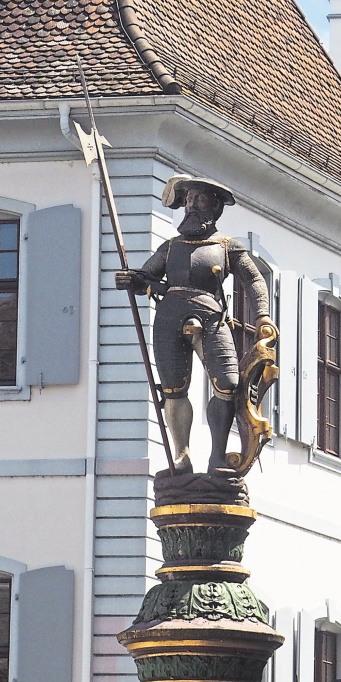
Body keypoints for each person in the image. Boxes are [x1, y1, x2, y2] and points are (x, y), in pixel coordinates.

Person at [116, 174, 274, 473]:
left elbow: (254, 279)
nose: (191, 205)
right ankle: (182, 454)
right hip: (169, 316)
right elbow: (147, 277)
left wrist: (262, 315)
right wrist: (132, 278)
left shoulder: (228, 246)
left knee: (227, 384)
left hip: (210, 316)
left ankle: (217, 455)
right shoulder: (171, 246)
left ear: (214, 207)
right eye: (188, 200)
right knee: (174, 389)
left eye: (198, 199)